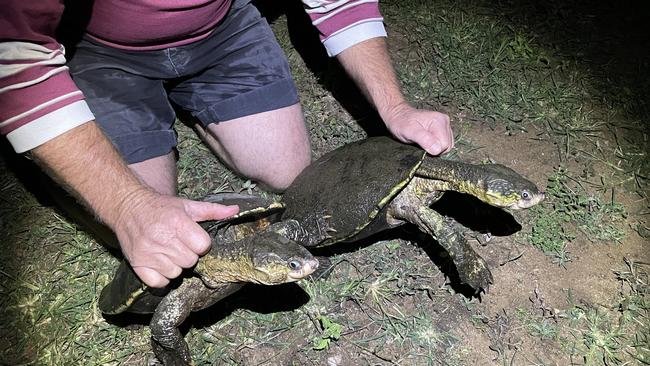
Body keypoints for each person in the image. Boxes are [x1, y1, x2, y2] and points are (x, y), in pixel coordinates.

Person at [1, 0, 453, 289]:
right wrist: (125, 205)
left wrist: (395, 107)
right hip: (96, 49)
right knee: (159, 231)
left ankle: (199, 103)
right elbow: (14, 55)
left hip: (221, 31)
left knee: (288, 171)